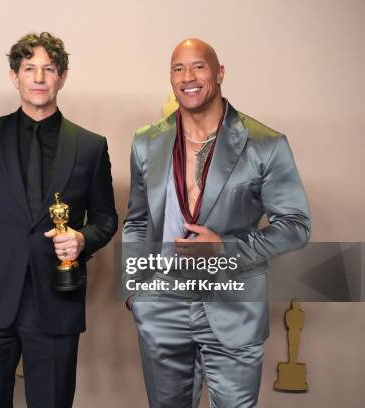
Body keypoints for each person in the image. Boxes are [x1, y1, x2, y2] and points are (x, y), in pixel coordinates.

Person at [122, 38, 310, 407]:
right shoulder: (146, 142)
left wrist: (225, 249)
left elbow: (296, 224)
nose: (187, 77)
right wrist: (135, 289)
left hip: (233, 305)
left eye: (198, 66)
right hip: (162, 306)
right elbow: (137, 221)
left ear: (219, 73)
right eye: (178, 68)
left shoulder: (265, 143)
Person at [0, 32, 118, 407]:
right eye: (29, 69)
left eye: (48, 69)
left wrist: (83, 239)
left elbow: (106, 218)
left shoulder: (90, 145)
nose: (38, 78)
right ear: (14, 76)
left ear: (63, 77)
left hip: (56, 301)